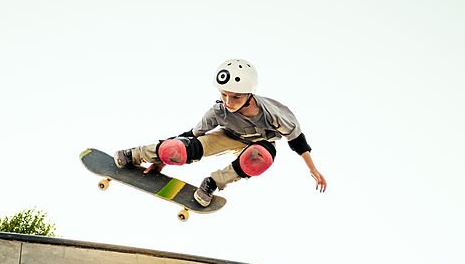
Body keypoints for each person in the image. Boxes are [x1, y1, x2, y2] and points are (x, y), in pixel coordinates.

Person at [113, 58, 327, 207]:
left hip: (261, 143)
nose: (228, 102)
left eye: (235, 97)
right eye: (224, 95)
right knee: (176, 149)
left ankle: (212, 184)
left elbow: (297, 140)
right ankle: (135, 154)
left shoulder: (273, 114)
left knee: (258, 158)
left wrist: (313, 169)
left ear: (249, 94)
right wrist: (163, 159)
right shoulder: (218, 111)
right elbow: (191, 135)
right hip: (227, 136)